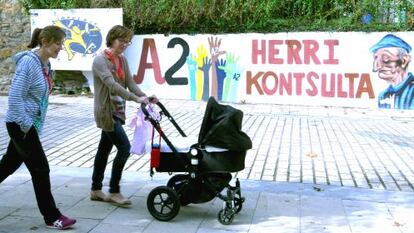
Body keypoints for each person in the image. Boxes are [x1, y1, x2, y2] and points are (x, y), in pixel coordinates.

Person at [0, 26, 76, 230]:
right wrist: (26, 126)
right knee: (41, 168)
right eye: (58, 43)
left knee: (8, 165)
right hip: (21, 124)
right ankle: (52, 217)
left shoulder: (44, 64)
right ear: (45, 42)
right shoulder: (28, 63)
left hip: (27, 124)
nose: (61, 47)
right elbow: (15, 97)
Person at [90, 25, 158, 206]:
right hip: (106, 112)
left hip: (118, 111)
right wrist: (136, 99)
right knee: (124, 148)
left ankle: (96, 189)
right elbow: (112, 85)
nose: (125, 44)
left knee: (103, 149)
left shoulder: (122, 60)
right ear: (112, 39)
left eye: (128, 41)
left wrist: (144, 96)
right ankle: (114, 191)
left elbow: (130, 83)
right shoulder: (100, 61)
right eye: (122, 40)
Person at [370, 34, 414, 109]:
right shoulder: (383, 95)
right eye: (376, 58)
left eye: (386, 57)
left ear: (404, 60)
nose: (377, 66)